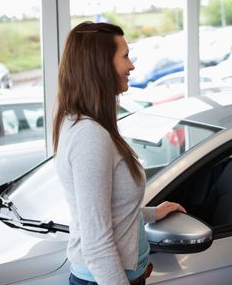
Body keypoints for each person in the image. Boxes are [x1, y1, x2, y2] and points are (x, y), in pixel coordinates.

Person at [53, 21, 185, 285]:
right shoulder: (90, 136)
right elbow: (96, 242)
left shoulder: (81, 122)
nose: (132, 66)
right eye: (125, 56)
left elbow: (103, 210)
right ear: (100, 65)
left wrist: (149, 213)